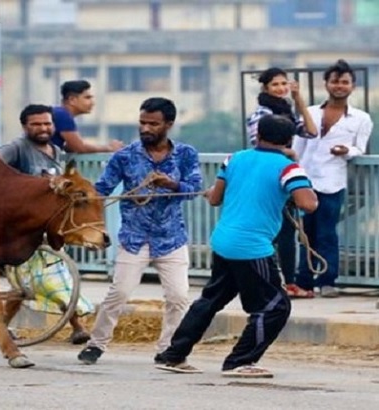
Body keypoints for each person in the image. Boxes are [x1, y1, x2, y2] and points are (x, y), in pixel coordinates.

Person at [156, 115, 318, 378]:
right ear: (289, 140)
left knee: (211, 299)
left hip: (223, 241)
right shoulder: (289, 168)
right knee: (274, 307)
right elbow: (308, 204)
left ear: (258, 135)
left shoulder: (234, 158)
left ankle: (173, 355)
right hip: (252, 247)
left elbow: (215, 199)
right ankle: (239, 361)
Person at [77, 97, 203, 365]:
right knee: (119, 293)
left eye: (153, 124)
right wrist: (82, 198)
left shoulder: (186, 154)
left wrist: (170, 184)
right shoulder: (124, 156)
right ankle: (96, 344)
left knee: (179, 297)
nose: (146, 128)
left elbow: (195, 189)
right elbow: (103, 189)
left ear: (168, 124)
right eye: (142, 122)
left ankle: (167, 349)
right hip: (134, 237)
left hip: (172, 238)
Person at [0, 104, 95, 345]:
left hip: (49, 227)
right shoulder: (16, 149)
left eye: (47, 123)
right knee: (24, 283)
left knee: (54, 274)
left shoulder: (55, 150)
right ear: (25, 127)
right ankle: (0, 326)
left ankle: (75, 326)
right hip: (22, 228)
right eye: (36, 124)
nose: (43, 128)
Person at [293, 60, 373, 299]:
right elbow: (298, 147)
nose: (340, 86)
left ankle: (328, 281)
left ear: (352, 86)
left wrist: (346, 151)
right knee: (305, 233)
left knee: (327, 233)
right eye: (335, 81)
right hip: (305, 182)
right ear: (326, 84)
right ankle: (304, 281)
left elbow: (360, 148)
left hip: (332, 182)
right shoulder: (312, 113)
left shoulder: (361, 118)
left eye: (344, 82)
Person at [246, 67, 318, 298]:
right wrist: (289, 152)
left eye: (284, 84)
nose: (281, 88)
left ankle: (289, 282)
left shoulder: (286, 111)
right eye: (275, 84)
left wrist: (299, 100)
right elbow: (261, 145)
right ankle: (270, 280)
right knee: (270, 232)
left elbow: (311, 131)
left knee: (287, 233)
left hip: (284, 177)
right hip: (269, 176)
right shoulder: (261, 114)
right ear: (266, 88)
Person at [52, 80, 123, 153]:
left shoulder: (60, 113)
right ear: (72, 100)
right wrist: (109, 148)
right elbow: (80, 147)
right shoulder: (63, 115)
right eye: (87, 98)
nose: (92, 103)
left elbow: (72, 147)